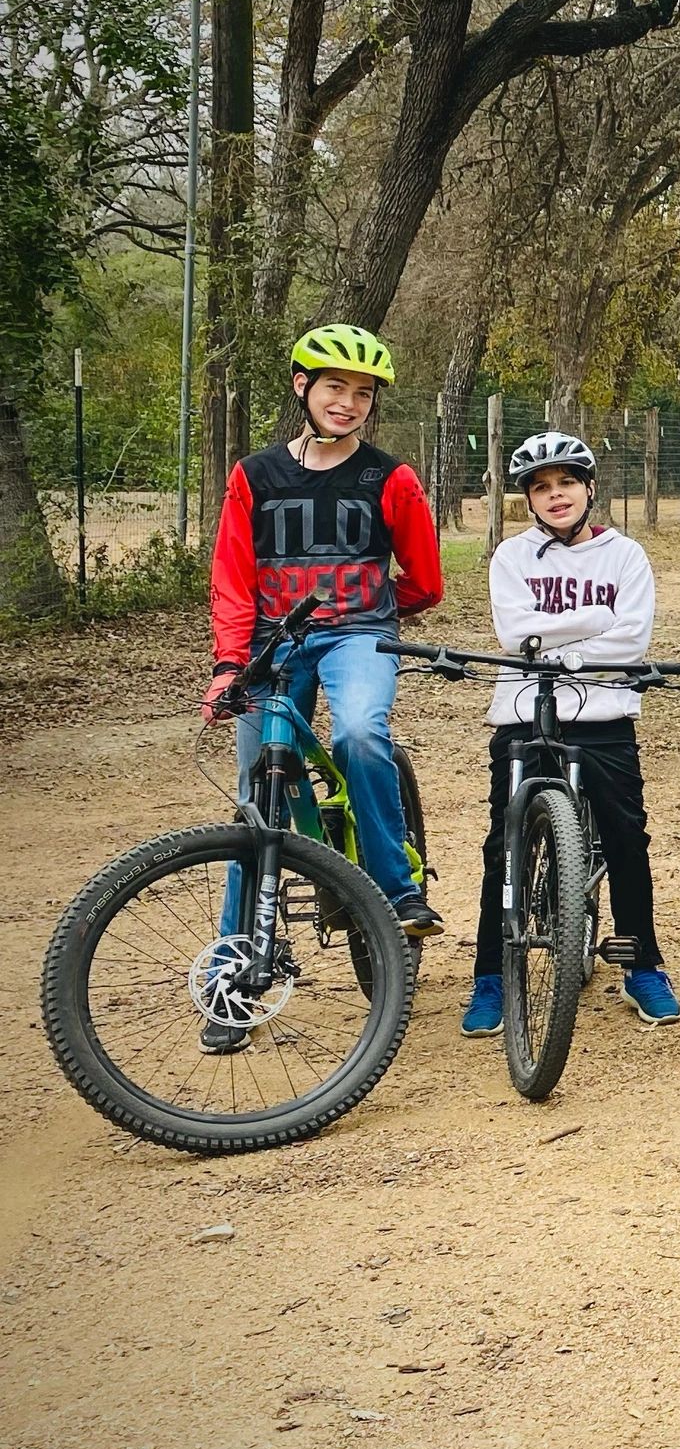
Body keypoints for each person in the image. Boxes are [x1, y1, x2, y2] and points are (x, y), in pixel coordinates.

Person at [204, 324, 445, 968]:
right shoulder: (253, 474)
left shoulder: (391, 478)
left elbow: (425, 581)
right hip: (271, 644)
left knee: (362, 734)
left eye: (363, 393)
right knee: (257, 794)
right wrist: (230, 664)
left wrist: (373, 612)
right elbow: (233, 579)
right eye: (334, 386)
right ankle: (234, 961)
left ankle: (398, 890)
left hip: (356, 635)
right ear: (301, 386)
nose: (347, 402)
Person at [462, 432, 678, 1035]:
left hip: (606, 712)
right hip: (523, 709)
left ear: (588, 488)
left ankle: (642, 966)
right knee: (502, 844)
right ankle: (491, 976)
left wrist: (555, 641)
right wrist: (592, 626)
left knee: (627, 838)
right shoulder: (511, 557)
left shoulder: (626, 556)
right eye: (540, 488)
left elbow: (632, 639)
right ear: (528, 500)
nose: (555, 496)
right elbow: (514, 637)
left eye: (565, 484)